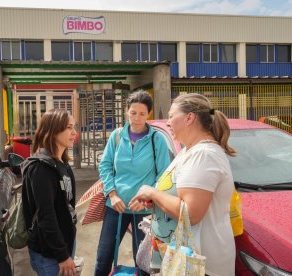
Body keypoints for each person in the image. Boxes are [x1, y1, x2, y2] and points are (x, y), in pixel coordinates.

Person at [129, 93, 236, 276]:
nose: (168, 122)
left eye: (171, 116)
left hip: (199, 265)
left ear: (189, 118)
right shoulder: (189, 150)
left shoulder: (204, 155)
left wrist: (153, 193)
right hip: (180, 260)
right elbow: (178, 195)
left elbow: (191, 213)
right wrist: (156, 202)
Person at [94, 90, 171, 276]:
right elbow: (105, 165)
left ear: (149, 114)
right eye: (133, 113)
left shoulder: (156, 140)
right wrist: (112, 194)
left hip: (144, 211)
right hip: (116, 207)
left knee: (143, 260)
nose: (137, 118)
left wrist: (146, 199)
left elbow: (163, 176)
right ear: (127, 111)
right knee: (103, 257)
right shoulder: (117, 136)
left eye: (142, 114)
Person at [21, 109, 78, 276]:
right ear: (53, 130)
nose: (74, 132)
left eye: (74, 127)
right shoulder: (41, 168)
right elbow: (46, 217)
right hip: (50, 254)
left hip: (64, 244)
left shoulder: (62, 163)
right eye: (68, 127)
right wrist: (62, 256)